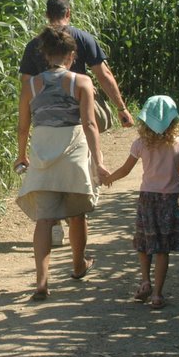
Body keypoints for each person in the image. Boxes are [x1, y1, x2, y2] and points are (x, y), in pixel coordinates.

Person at [15, 26, 110, 301]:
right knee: (77, 214)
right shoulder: (81, 82)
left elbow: (23, 126)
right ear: (71, 56)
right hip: (73, 150)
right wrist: (99, 162)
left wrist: (22, 155)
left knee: (44, 220)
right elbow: (90, 124)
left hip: (43, 150)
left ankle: (41, 282)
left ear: (45, 55)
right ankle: (78, 266)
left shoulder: (30, 85)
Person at [101, 95, 179, 310]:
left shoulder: (140, 144)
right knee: (163, 248)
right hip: (171, 200)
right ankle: (158, 295)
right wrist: (176, 167)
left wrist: (108, 179)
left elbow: (125, 170)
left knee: (144, 241)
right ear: (173, 121)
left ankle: (145, 281)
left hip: (147, 199)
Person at [19, 0, 134, 129]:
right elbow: (104, 75)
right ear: (68, 12)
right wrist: (121, 108)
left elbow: (26, 82)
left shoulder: (34, 45)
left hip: (47, 115)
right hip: (80, 111)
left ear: (47, 15)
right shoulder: (83, 38)